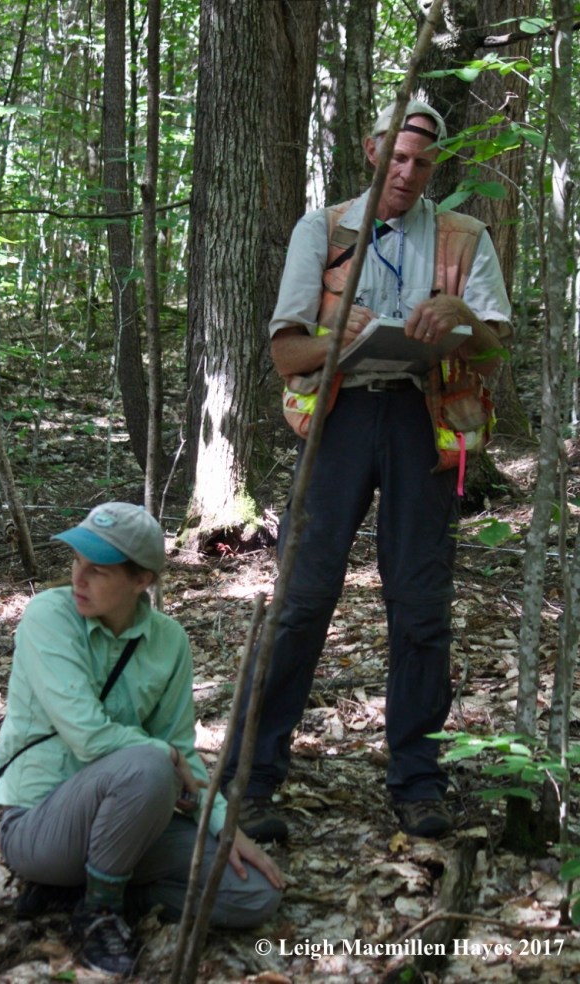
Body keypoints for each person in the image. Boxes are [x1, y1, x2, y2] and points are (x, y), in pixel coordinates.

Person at [222, 99, 512, 842]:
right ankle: (250, 779)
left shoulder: (463, 237)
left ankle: (418, 780)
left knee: (421, 603)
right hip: (340, 419)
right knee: (300, 597)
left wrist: (459, 316)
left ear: (434, 165)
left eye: (422, 162)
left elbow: (491, 352)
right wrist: (335, 335)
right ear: (372, 150)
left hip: (424, 422)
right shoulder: (322, 230)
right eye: (398, 157)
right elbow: (286, 354)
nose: (408, 173)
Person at [0, 502, 283, 977]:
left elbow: (180, 747)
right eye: (77, 561)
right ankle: (98, 910)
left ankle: (86, 890)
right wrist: (162, 755)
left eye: (98, 569)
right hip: (39, 827)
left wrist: (223, 825)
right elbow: (89, 736)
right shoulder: (49, 615)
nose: (78, 577)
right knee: (149, 764)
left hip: (126, 825)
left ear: (141, 580)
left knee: (253, 894)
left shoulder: (169, 641)